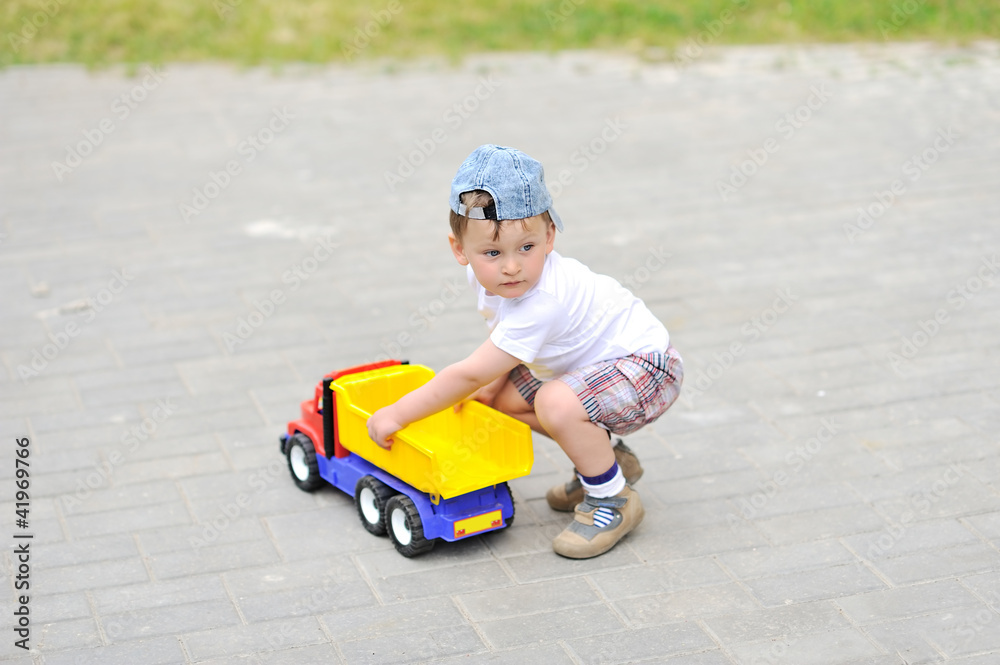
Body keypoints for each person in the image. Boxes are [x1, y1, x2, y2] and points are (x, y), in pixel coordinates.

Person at [367, 144, 683, 558]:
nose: (512, 267)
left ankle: (612, 500)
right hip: (587, 366)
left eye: (526, 248)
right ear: (460, 249)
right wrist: (486, 387)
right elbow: (500, 348)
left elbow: (468, 374)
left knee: (554, 401)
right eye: (493, 253)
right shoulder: (486, 279)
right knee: (498, 401)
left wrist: (397, 414)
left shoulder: (542, 299)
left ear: (549, 236)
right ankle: (607, 461)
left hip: (647, 369)